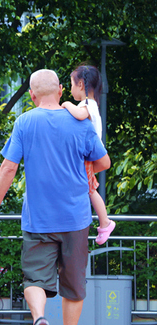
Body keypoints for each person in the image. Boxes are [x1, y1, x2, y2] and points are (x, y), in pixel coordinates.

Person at [0, 69, 110, 325]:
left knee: (34, 280)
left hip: (38, 219)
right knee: (74, 286)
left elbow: (8, 168)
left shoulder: (25, 122)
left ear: (31, 95)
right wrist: (87, 170)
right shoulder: (82, 123)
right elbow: (104, 161)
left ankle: (39, 319)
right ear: (61, 91)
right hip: (76, 219)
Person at [62, 64, 115, 244]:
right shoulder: (92, 104)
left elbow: (78, 115)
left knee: (91, 190)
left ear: (81, 85)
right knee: (90, 188)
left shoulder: (86, 104)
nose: (70, 89)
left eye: (71, 84)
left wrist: (66, 104)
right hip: (91, 155)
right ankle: (104, 222)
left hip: (90, 154)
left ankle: (105, 222)